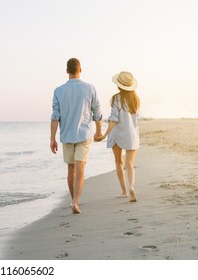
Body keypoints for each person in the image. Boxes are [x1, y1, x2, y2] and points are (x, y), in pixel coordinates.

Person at [50, 58, 103, 214]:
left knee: (71, 168)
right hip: (84, 135)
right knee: (80, 168)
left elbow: (55, 116)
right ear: (81, 70)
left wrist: (52, 138)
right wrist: (99, 130)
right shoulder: (90, 88)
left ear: (67, 71)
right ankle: (76, 202)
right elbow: (97, 112)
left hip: (66, 135)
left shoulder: (58, 91)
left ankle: (73, 200)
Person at [95, 71, 140, 202]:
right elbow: (136, 120)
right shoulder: (136, 100)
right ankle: (131, 186)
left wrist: (104, 135)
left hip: (117, 134)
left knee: (119, 162)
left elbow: (114, 119)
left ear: (119, 85)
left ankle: (124, 191)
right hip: (131, 134)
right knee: (130, 164)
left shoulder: (116, 98)